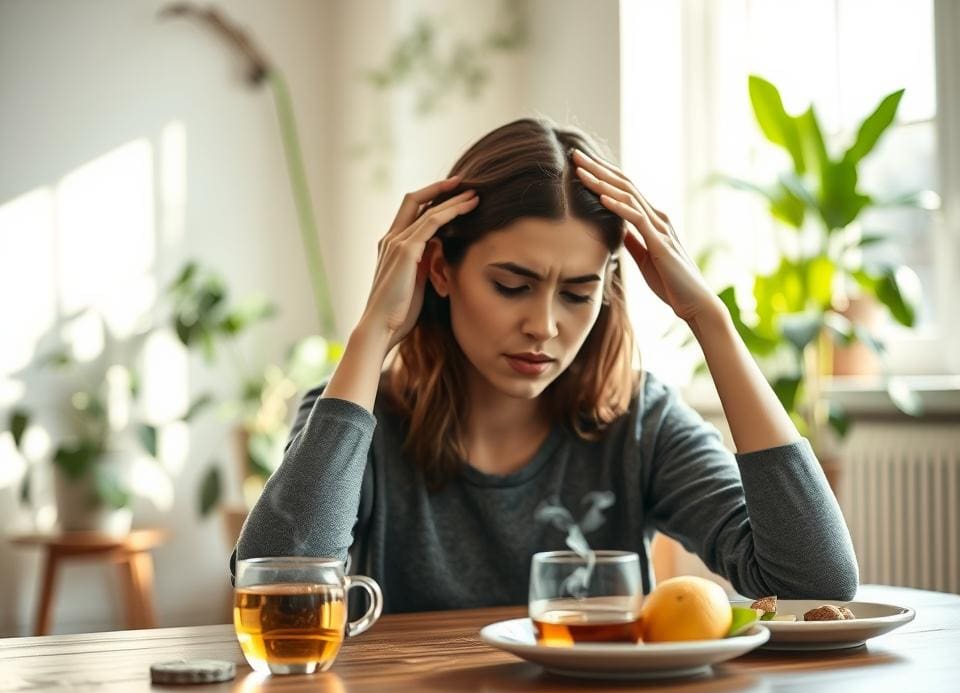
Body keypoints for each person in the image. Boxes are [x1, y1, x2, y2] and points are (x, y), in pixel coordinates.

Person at [230, 117, 858, 612]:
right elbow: (278, 595)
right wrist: (376, 330)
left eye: (578, 294)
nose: (545, 325)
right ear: (440, 270)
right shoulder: (356, 420)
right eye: (511, 286)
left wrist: (709, 319)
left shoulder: (641, 421)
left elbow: (816, 587)